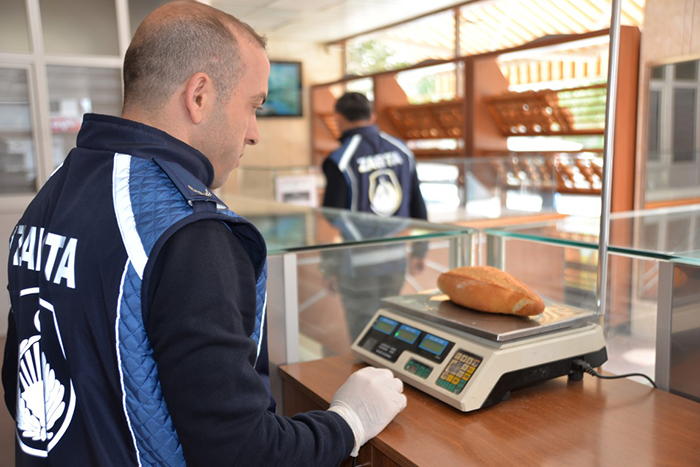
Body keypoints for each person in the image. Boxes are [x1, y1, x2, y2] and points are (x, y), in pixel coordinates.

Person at [1, 2, 405, 466]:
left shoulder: (54, 193)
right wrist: (349, 421)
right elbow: (243, 452)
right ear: (199, 96)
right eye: (253, 106)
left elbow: (22, 383)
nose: (254, 133)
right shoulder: (187, 232)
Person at [321, 92, 429, 340]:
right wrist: (420, 250)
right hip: (396, 258)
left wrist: (328, 267)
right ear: (372, 116)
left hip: (357, 264)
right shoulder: (402, 150)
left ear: (339, 118)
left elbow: (331, 217)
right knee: (390, 324)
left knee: (364, 333)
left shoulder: (340, 159)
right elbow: (418, 207)